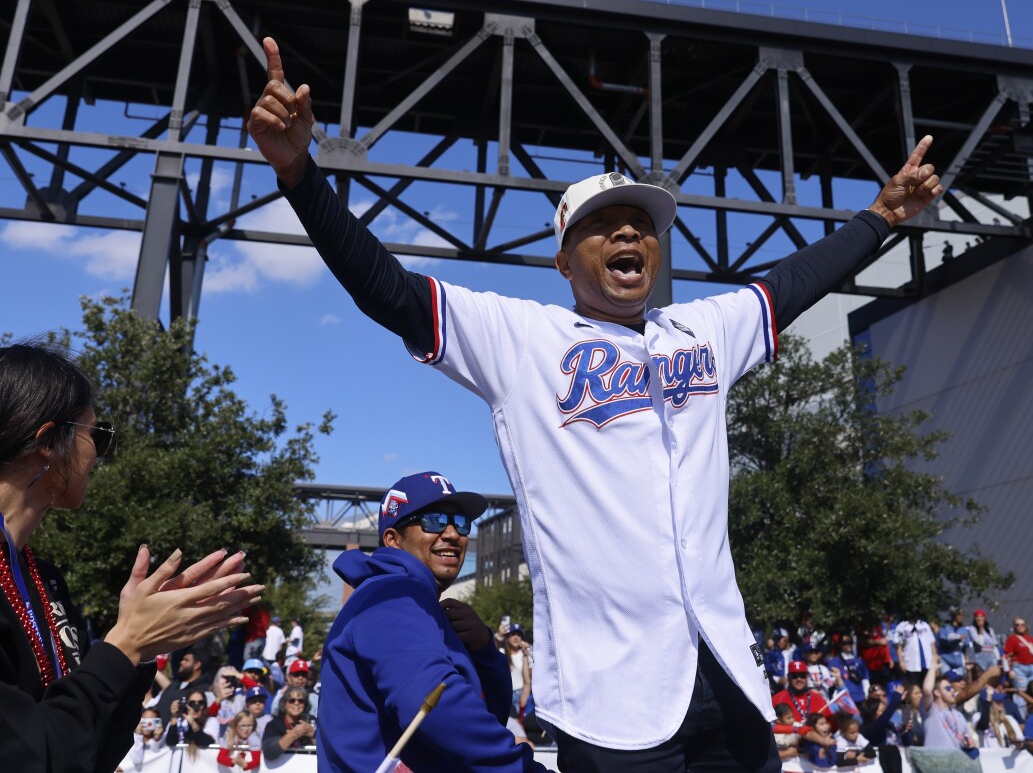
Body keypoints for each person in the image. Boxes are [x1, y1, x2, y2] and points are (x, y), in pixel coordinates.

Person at [250, 37, 943, 770]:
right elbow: (387, 290)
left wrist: (881, 216)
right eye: (603, 224)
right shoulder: (522, 338)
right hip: (612, 700)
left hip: (728, 678)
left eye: (642, 224)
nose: (627, 231)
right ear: (563, 260)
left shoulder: (703, 330)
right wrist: (299, 174)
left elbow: (793, 284)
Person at [0, 340, 262, 772]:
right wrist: (126, 642)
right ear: (48, 441)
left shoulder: (42, 580)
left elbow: (89, 752)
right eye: (97, 435)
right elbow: (28, 758)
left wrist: (141, 647)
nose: (99, 456)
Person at [318, 471, 545, 772]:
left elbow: (486, 716)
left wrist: (485, 653)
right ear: (393, 540)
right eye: (434, 520)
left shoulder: (421, 606)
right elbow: (436, 707)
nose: (453, 533)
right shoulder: (392, 594)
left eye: (461, 523)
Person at [922, 673, 976, 755]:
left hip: (955, 763)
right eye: (948, 688)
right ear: (937, 692)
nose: (952, 690)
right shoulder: (931, 711)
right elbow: (926, 689)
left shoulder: (959, 715)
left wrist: (970, 742)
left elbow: (967, 738)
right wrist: (933, 665)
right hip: (935, 763)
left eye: (951, 687)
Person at [165, 688, 218, 765]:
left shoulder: (211, 721)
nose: (196, 706)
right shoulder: (179, 722)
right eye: (192, 703)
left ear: (205, 705)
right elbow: (170, 742)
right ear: (186, 704)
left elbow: (206, 742)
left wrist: (192, 723)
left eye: (200, 702)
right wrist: (173, 716)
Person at [262, 687, 315, 759]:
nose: (296, 703)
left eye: (301, 701)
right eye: (292, 700)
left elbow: (327, 750)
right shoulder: (274, 724)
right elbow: (269, 753)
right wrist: (293, 734)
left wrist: (314, 735)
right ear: (284, 703)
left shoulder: (312, 721)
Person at [1004, 618, 1033, 692]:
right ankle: (1022, 704)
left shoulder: (1031, 639)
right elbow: (1007, 656)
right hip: (1019, 669)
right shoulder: (1012, 638)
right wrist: (1009, 670)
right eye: (1017, 625)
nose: (1020, 626)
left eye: (1022, 625)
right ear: (1014, 627)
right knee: (1022, 691)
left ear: (1026, 626)